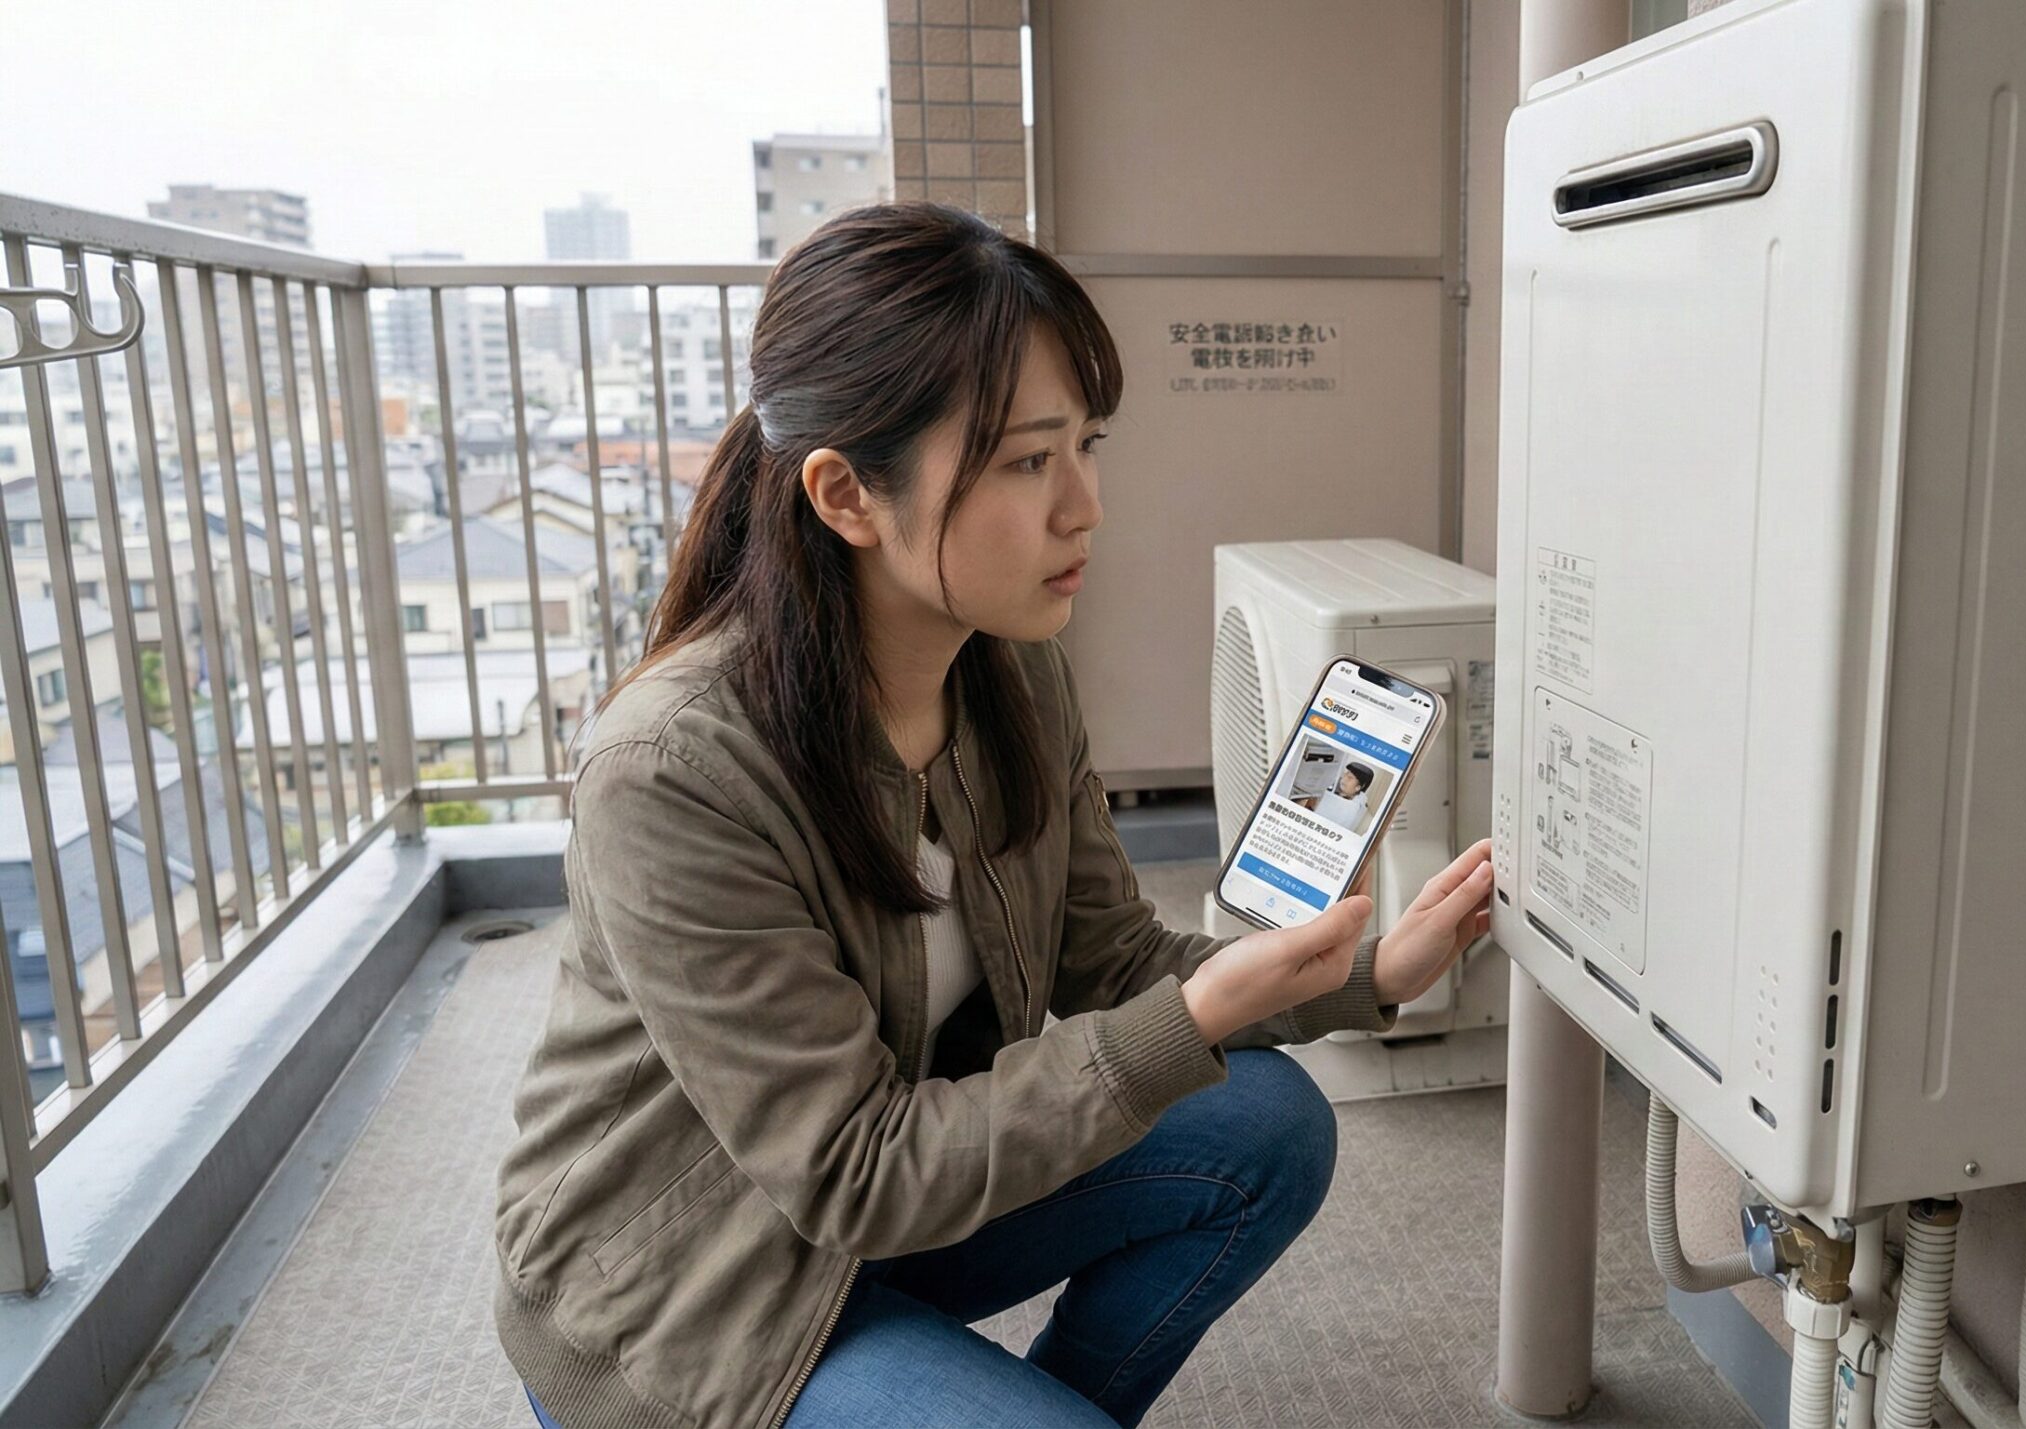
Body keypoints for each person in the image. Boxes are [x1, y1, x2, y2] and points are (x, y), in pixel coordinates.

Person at [492, 201, 1497, 1429]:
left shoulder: (1008, 669)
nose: (1085, 508)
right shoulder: (673, 768)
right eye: (1028, 461)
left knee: (1266, 1124)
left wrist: (1367, 976)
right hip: (701, 1287)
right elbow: (854, 1169)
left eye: (1088, 444)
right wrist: (1196, 1013)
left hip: (888, 1207)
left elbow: (1110, 957)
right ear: (846, 494)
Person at [1305, 761, 1374, 830]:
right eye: (1345, 774)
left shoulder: (1353, 806)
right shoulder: (1332, 788)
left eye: (1350, 777)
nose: (1344, 778)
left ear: (1358, 787)